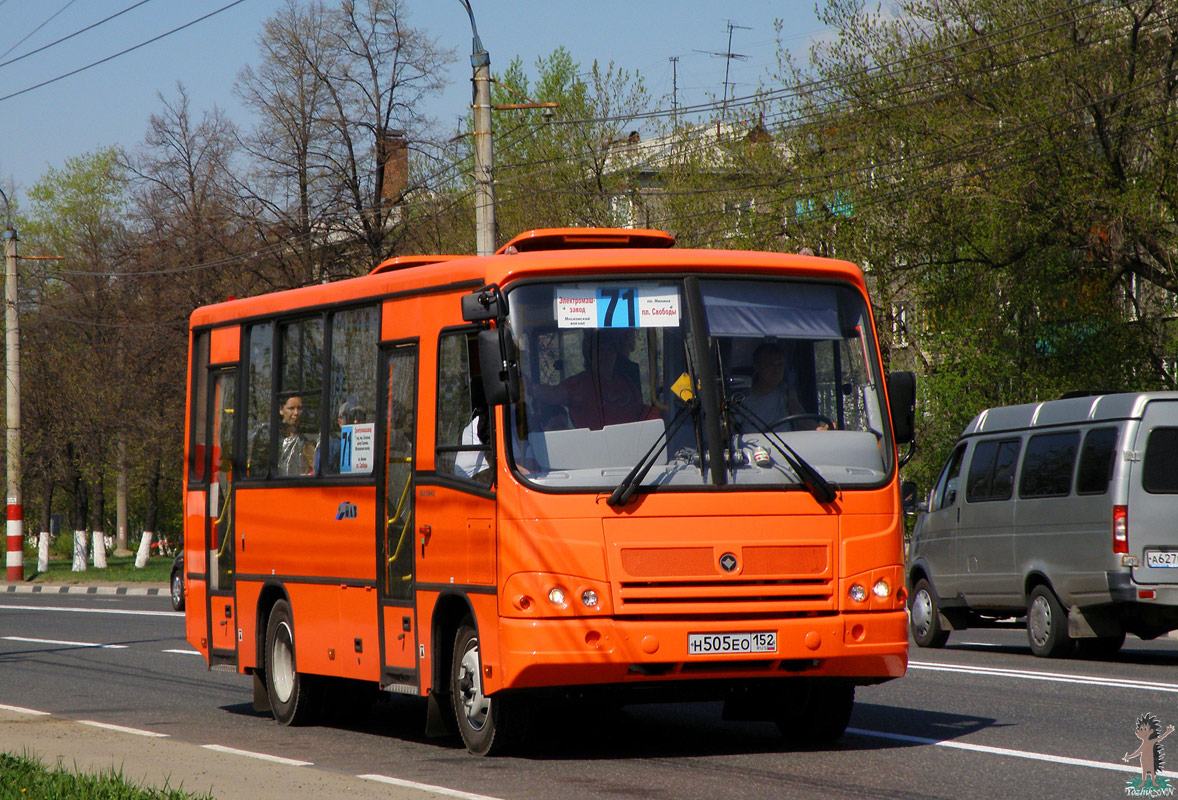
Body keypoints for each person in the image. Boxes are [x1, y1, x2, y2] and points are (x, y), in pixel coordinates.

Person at [532, 329, 650, 430]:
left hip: (634, 447)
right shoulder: (580, 384)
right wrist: (526, 386)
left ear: (615, 354)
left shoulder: (627, 382)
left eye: (610, 350)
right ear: (589, 356)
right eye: (600, 351)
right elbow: (553, 394)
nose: (605, 356)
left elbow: (642, 412)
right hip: (593, 449)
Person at [277, 394, 316, 476]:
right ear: (281, 410)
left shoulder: (304, 439)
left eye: (299, 408)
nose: (296, 413)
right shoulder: (271, 436)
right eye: (291, 408)